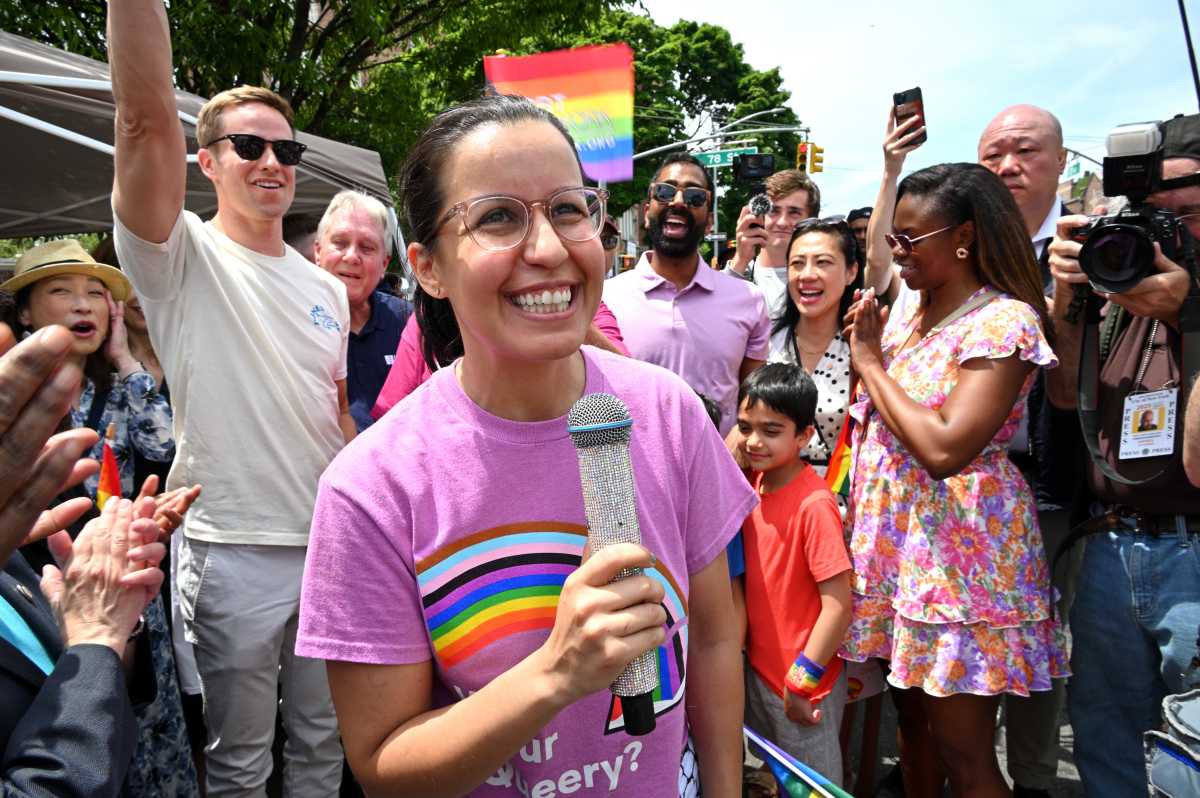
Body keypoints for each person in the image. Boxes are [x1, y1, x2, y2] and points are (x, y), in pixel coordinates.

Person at [295, 94, 753, 798]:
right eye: (498, 218)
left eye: (568, 209)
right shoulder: (370, 486)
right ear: (428, 267)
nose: (547, 250)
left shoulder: (669, 413)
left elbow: (717, 639)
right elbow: (383, 766)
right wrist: (555, 675)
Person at [108, 1, 355, 793]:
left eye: (287, 149)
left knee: (324, 743)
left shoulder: (327, 287)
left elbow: (335, 414)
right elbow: (145, 119)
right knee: (240, 760)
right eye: (248, 146)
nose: (271, 162)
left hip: (332, 547)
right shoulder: (180, 256)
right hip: (233, 550)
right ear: (207, 162)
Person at [843, 162, 1066, 797]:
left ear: (963, 237)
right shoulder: (915, 317)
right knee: (913, 731)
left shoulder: (1003, 322)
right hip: (902, 555)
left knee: (964, 752)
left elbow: (946, 446)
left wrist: (870, 363)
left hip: (963, 561)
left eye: (911, 240)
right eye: (893, 239)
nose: (898, 252)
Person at [2, 239, 199, 796]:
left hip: (128, 584)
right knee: (75, 716)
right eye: (61, 291)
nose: (82, 305)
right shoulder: (9, 394)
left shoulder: (115, 386)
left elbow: (166, 442)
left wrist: (122, 358)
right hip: (42, 590)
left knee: (149, 716)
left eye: (95, 294)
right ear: (23, 311)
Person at [1045, 112, 1200, 798]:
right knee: (1106, 734)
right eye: (1153, 218)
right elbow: (1060, 391)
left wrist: (1189, 313)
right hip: (1110, 546)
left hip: (1193, 551)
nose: (1166, 235)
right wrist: (1070, 297)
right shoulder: (1119, 288)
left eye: (1187, 214)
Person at [976, 103, 1084, 798]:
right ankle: (968, 762)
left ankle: (1036, 778)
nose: (1008, 166)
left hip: (1053, 483)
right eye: (993, 155)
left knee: (1044, 645)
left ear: (1063, 162)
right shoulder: (963, 250)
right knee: (975, 642)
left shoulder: (1092, 248)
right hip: (966, 484)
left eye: (1024, 152)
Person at [735, 363, 852, 788]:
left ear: (803, 436)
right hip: (761, 674)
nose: (753, 440)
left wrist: (804, 679)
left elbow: (838, 604)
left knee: (813, 787)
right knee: (772, 781)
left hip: (803, 682)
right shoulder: (753, 484)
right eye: (745, 426)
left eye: (771, 430)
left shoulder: (814, 504)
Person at [604, 152, 770, 435]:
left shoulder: (748, 300)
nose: (678, 202)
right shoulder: (606, 299)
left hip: (718, 471)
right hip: (633, 472)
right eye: (665, 192)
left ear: (709, 221)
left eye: (694, 197)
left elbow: (752, 404)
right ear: (647, 212)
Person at [762, 218, 861, 515]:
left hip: (843, 514)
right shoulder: (766, 344)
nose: (807, 275)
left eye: (823, 262)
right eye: (797, 263)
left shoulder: (865, 348)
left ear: (851, 272)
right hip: (772, 511)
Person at [314, 190, 413, 431]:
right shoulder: (292, 323)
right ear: (318, 252)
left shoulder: (407, 322)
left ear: (384, 264)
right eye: (340, 243)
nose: (351, 256)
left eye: (367, 247)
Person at [727, 170, 822, 316]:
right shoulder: (734, 274)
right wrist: (740, 260)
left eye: (794, 212)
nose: (782, 222)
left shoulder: (823, 281)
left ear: (812, 220)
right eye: (773, 211)